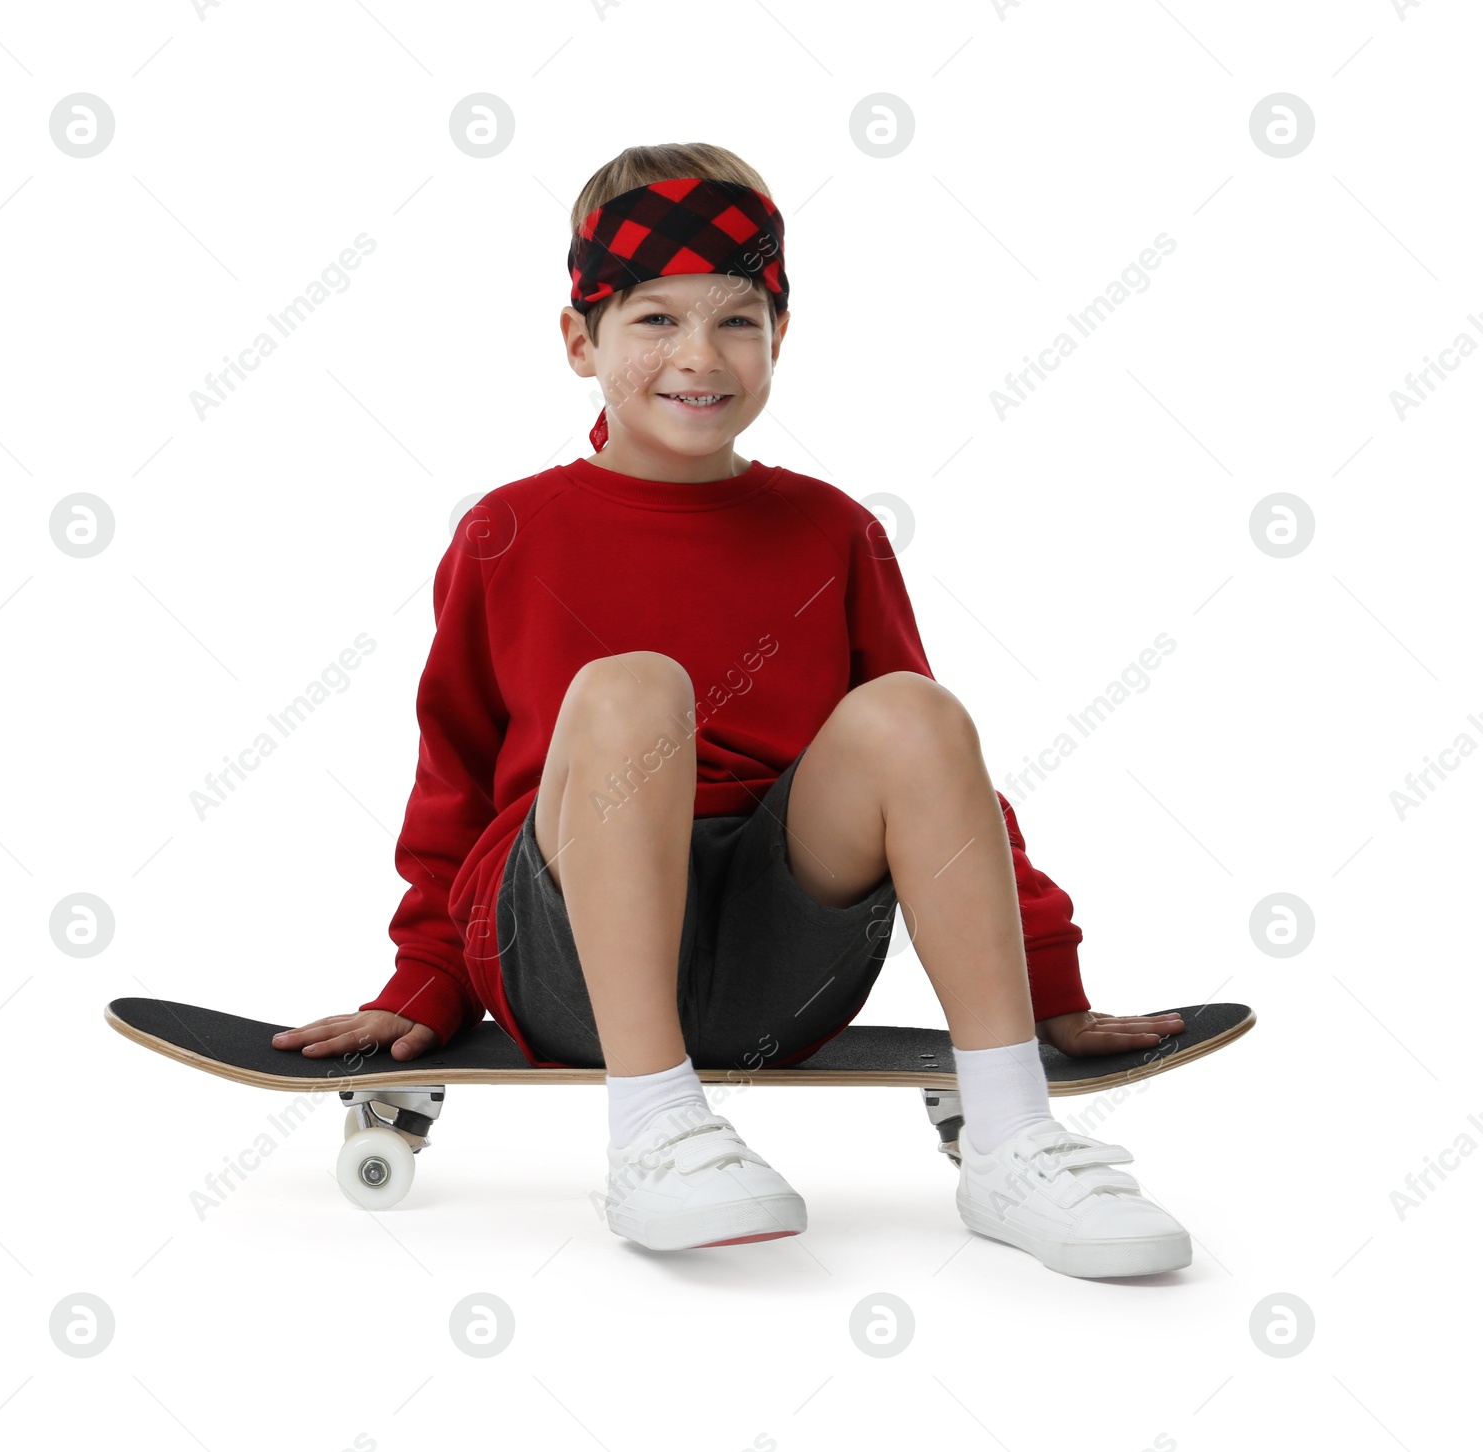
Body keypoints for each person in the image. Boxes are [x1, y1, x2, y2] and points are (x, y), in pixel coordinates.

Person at [271, 142, 1193, 1277]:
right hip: (566, 965)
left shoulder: (830, 530)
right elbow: (453, 770)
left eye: (738, 321)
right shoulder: (511, 531)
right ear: (581, 342)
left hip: (780, 958)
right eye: (654, 320)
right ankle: (653, 1129)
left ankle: (1012, 1137)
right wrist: (422, 980)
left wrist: (1051, 983)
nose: (698, 358)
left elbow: (942, 778)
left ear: (779, 338)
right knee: (633, 688)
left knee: (911, 707)